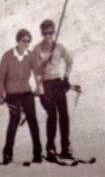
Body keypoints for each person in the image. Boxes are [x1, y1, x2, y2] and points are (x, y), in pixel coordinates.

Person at [0, 28, 42, 165]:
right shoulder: (8, 56)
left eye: (28, 41)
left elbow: (37, 71)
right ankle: (7, 154)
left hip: (26, 93)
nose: (26, 44)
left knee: (32, 121)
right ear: (18, 41)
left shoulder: (31, 55)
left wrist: (39, 86)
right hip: (12, 94)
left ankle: (38, 154)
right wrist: (0, 94)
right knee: (14, 122)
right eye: (24, 41)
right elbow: (0, 77)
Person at [31, 19, 74, 159]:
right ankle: (50, 148)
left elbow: (70, 60)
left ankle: (65, 147)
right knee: (52, 115)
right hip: (46, 83)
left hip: (57, 82)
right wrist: (39, 87)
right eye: (45, 34)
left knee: (64, 114)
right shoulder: (37, 49)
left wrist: (66, 78)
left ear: (54, 33)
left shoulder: (59, 47)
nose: (48, 36)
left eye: (50, 33)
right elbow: (36, 71)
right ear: (42, 34)